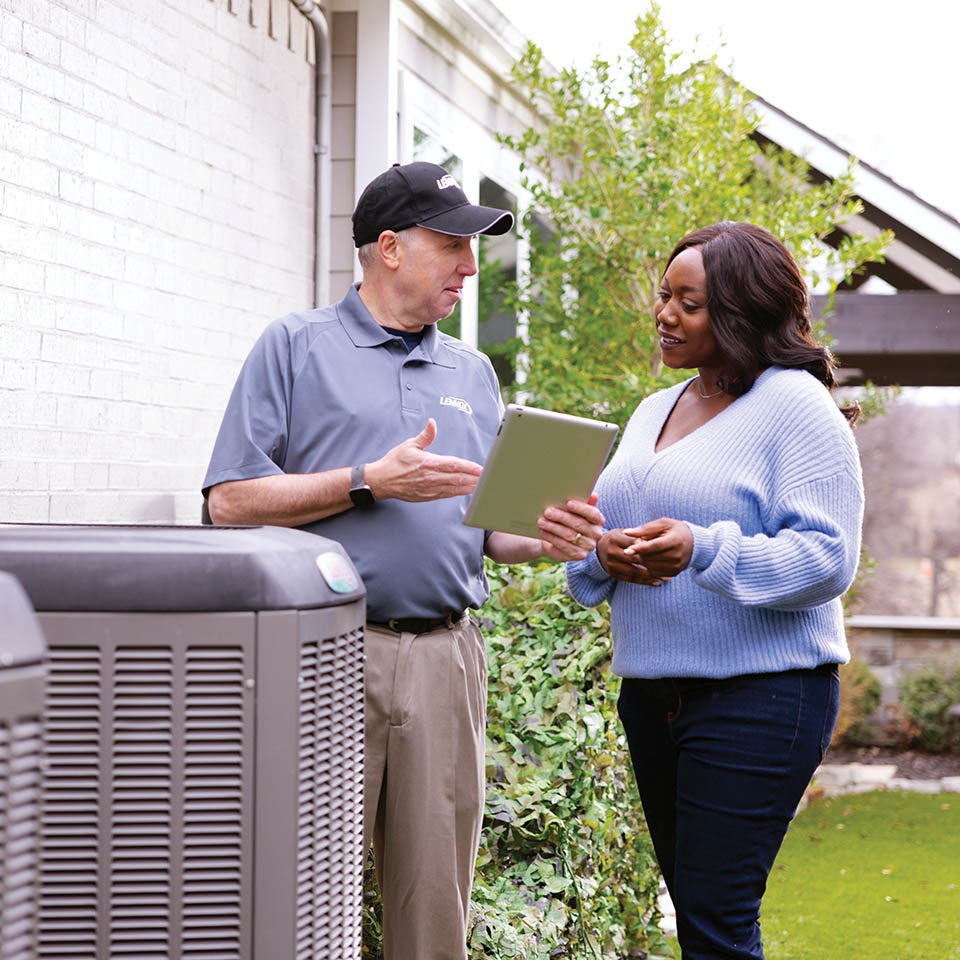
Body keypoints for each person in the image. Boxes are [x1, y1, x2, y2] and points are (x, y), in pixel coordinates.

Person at [202, 161, 603, 960]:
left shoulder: (473, 374)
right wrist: (365, 482)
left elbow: (489, 531)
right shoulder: (294, 347)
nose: (469, 263)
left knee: (433, 908)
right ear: (388, 247)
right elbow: (230, 501)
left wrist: (549, 534)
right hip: (324, 655)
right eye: (452, 243)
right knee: (301, 893)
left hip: (447, 660)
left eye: (472, 246)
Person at [566, 221, 864, 960]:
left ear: (739, 310)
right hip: (653, 693)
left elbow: (829, 556)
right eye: (664, 296)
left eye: (689, 302)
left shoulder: (796, 406)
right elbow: (606, 534)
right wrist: (603, 553)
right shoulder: (651, 411)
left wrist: (704, 547)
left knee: (714, 920)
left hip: (761, 695)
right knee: (700, 913)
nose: (665, 313)